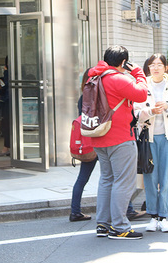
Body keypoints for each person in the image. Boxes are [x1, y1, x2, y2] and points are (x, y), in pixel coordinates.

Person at [85, 45, 148, 240]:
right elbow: (141, 94)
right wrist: (138, 72)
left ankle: (103, 224)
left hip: (99, 135)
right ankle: (120, 227)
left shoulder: (94, 77)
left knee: (106, 179)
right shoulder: (118, 79)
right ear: (123, 62)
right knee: (123, 182)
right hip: (120, 137)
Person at [135, 54, 168, 233]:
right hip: (147, 138)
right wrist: (151, 111)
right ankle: (153, 216)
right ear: (148, 67)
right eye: (152, 65)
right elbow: (136, 111)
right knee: (150, 177)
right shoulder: (142, 85)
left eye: (159, 65)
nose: (155, 68)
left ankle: (163, 217)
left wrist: (167, 107)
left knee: (166, 178)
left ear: (165, 67)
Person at [70, 70, 96, 223]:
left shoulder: (82, 98)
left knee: (82, 178)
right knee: (114, 176)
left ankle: (75, 211)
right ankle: (128, 209)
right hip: (100, 141)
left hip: (87, 144)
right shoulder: (99, 96)